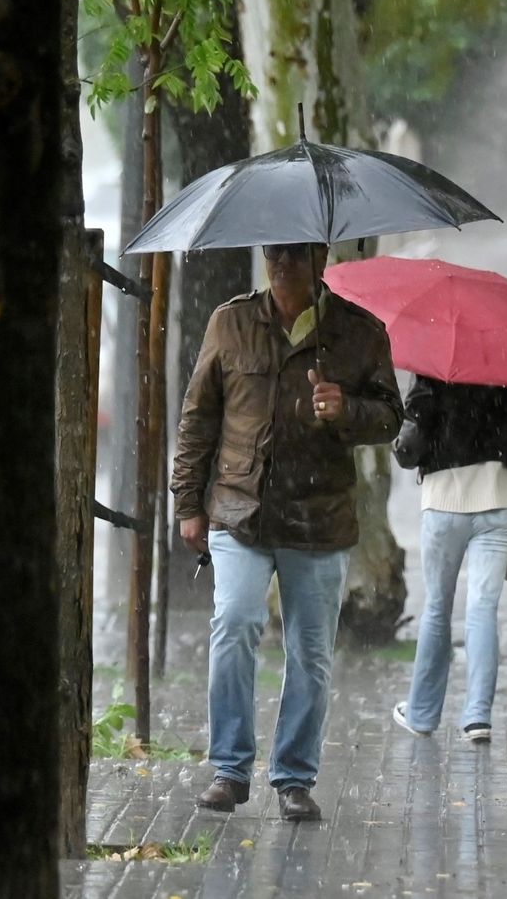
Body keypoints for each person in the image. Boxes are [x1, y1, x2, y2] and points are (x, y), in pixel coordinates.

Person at [172, 241, 403, 822]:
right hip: (238, 510)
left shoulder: (357, 332)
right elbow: (198, 416)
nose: (281, 262)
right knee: (235, 621)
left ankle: (294, 778)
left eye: (296, 254)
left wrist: (346, 408)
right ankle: (229, 769)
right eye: (273, 252)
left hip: (318, 519)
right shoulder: (231, 322)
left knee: (311, 652)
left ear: (320, 259)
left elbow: (392, 418)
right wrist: (187, 502)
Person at [391, 375, 507, 743]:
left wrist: (405, 441)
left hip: (442, 504)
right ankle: (477, 717)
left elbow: (408, 449)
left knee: (437, 607)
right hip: (497, 503)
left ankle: (421, 713)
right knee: (482, 608)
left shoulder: (433, 374)